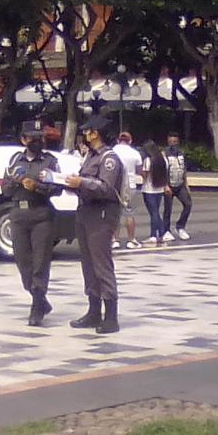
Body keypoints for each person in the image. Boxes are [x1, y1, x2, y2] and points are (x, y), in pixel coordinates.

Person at [64, 115, 125, 334]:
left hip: (101, 215)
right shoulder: (90, 156)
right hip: (85, 213)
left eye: (88, 131)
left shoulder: (109, 158)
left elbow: (106, 188)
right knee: (88, 265)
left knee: (101, 264)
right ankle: (93, 311)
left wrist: (82, 182)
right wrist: (73, 184)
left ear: (95, 133)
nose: (85, 134)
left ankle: (110, 316)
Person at [2, 120, 62, 325]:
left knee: (40, 262)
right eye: (32, 138)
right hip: (19, 214)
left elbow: (57, 188)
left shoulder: (50, 161)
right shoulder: (14, 160)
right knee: (23, 263)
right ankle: (40, 299)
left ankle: (37, 307)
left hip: (41, 214)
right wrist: (15, 182)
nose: (36, 142)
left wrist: (36, 186)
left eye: (39, 138)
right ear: (23, 140)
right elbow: (5, 190)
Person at [111, 131, 143, 249]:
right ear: (130, 141)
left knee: (115, 213)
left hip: (115, 184)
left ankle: (115, 240)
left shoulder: (112, 152)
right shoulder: (135, 153)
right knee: (129, 213)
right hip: (130, 185)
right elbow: (140, 171)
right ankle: (131, 240)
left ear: (118, 140)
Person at [162, 131, 193, 241]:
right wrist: (165, 185)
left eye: (175, 141)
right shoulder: (165, 154)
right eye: (170, 141)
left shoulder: (181, 153)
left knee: (188, 204)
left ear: (178, 142)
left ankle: (180, 226)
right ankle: (166, 230)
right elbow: (162, 171)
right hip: (169, 185)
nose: (173, 144)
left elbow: (184, 169)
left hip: (180, 185)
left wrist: (186, 184)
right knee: (168, 209)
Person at [139, 140, 169, 245]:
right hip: (159, 189)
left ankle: (153, 235)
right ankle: (161, 233)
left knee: (153, 213)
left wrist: (139, 172)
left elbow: (145, 176)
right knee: (156, 212)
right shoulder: (162, 159)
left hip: (148, 189)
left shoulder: (148, 160)